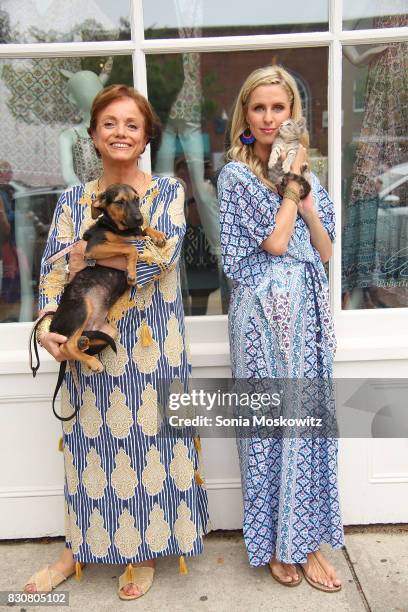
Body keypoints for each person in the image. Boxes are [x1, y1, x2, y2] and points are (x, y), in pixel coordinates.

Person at [24, 84, 208, 599]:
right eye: (110, 123)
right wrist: (47, 328)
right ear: (94, 135)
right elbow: (52, 276)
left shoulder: (168, 193)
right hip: (89, 345)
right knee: (86, 449)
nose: (121, 132)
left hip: (152, 349)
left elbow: (156, 261)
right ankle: (74, 551)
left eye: (131, 124)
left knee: (149, 446)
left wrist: (88, 256)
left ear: (146, 135)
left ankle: (143, 551)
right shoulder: (71, 200)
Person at [217, 66, 344, 591]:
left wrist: (305, 192)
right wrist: (290, 191)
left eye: (280, 107)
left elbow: (327, 247)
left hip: (308, 314)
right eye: (259, 108)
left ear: (294, 112)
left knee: (308, 427)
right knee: (270, 429)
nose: (270, 118)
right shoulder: (236, 176)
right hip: (262, 321)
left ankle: (309, 542)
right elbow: (271, 244)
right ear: (245, 115)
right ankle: (275, 544)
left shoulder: (308, 171)